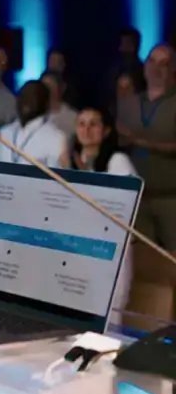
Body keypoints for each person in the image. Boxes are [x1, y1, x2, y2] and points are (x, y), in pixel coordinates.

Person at [72, 106, 138, 320]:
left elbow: (124, 206)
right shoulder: (71, 160)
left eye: (94, 124)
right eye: (81, 124)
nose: (86, 130)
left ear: (106, 130)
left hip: (110, 252)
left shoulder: (118, 161)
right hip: (79, 251)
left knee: (108, 318)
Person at [118, 44, 176, 248]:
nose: (156, 68)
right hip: (137, 198)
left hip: (170, 197)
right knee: (142, 258)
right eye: (152, 61)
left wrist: (141, 142)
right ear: (144, 66)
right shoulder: (130, 103)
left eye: (164, 64)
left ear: (173, 70)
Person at [0, 80, 70, 169]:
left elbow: (59, 174)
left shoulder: (56, 138)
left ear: (46, 102)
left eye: (33, 97)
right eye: (23, 96)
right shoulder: (4, 133)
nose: (26, 101)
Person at [42, 71, 78, 138]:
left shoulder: (73, 117)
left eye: (51, 86)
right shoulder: (34, 115)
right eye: (44, 86)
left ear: (62, 88)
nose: (47, 91)